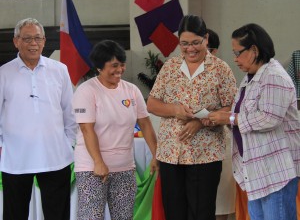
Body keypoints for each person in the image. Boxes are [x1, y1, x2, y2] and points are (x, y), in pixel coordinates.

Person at [146, 15, 237, 220]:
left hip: (206, 153)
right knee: (174, 211)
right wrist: (174, 110)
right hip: (171, 153)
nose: (190, 49)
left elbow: (231, 105)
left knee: (202, 212)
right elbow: (152, 104)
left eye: (196, 43)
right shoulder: (170, 67)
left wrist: (201, 122)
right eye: (184, 44)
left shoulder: (220, 68)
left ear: (205, 39)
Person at [208, 23, 300, 220]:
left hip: (276, 172)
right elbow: (241, 114)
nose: (235, 59)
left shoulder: (274, 76)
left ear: (254, 50)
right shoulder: (250, 77)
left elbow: (269, 118)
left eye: (238, 52)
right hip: (258, 171)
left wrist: (230, 118)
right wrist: (221, 118)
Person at [72, 39, 158, 220]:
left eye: (122, 64)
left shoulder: (132, 90)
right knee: (91, 217)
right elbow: (87, 129)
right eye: (114, 65)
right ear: (99, 67)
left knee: (124, 217)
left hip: (125, 168)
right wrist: (98, 162)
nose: (120, 70)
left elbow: (145, 124)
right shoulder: (86, 91)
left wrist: (156, 154)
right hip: (92, 169)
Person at [0, 18, 77, 220]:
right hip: (16, 159)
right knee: (14, 213)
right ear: (16, 41)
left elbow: (70, 111)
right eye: (27, 38)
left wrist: (68, 143)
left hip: (55, 156)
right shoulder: (3, 73)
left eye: (38, 38)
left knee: (58, 213)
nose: (33, 43)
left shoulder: (59, 70)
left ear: (44, 41)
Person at [206, 28, 236, 220]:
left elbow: (232, 105)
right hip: (193, 146)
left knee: (222, 197)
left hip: (219, 138)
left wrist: (206, 119)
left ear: (214, 50)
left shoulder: (223, 69)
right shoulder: (178, 69)